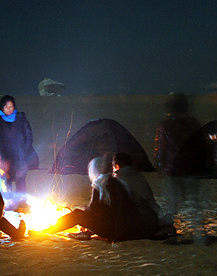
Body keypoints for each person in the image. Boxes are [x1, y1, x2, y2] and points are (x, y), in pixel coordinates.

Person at [33, 156, 150, 242]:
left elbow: (93, 210)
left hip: (112, 230)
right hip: (123, 227)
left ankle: (48, 231)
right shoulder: (114, 182)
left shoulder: (100, 183)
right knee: (81, 214)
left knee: (76, 214)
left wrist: (84, 211)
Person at [153, 93, 204, 238]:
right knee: (193, 202)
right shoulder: (193, 123)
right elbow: (201, 144)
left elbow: (161, 148)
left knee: (171, 204)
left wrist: (159, 165)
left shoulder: (165, 124)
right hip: (192, 169)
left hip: (173, 170)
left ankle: (169, 232)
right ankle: (199, 233)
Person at [111, 152, 171, 236]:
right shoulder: (139, 176)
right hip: (154, 218)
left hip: (137, 223)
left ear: (116, 166)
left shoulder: (117, 178)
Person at [0, 95, 35, 193]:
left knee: (20, 180)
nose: (9, 109)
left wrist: (25, 150)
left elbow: (28, 135)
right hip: (5, 156)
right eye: (6, 107)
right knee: (5, 180)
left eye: (11, 107)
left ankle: (21, 202)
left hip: (20, 155)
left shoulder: (20, 118)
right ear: (2, 107)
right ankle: (7, 202)